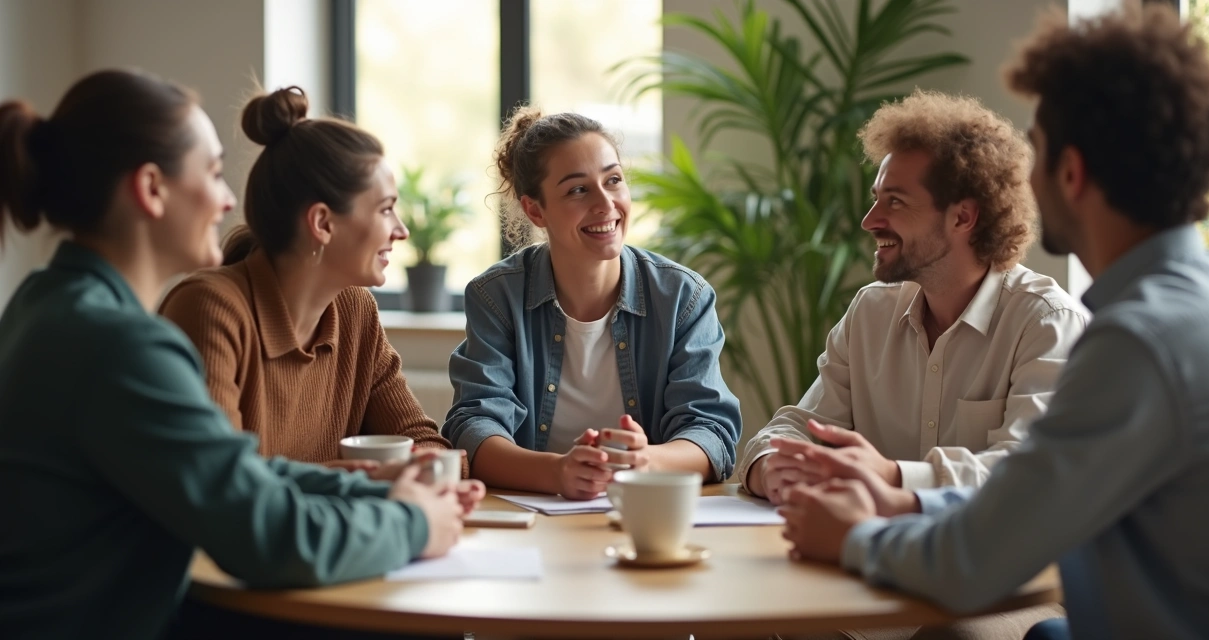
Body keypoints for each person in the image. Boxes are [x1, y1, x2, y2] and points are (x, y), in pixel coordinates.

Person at [778, 6, 1209, 639]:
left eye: (1036, 153)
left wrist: (856, 538)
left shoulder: (1137, 343)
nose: (1026, 179)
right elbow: (1033, 494)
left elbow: (975, 562)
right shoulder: (1186, 306)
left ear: (1072, 172)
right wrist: (907, 502)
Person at [0, 70, 478, 640]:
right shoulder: (120, 345)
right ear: (151, 189)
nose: (229, 199)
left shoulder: (47, 302)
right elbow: (264, 534)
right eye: (213, 172)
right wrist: (411, 522)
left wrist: (377, 487)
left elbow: (236, 474)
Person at [741, 90, 1087, 507]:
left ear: (962, 217)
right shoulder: (870, 313)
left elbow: (1028, 475)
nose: (870, 221)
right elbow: (796, 428)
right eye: (876, 199)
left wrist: (894, 476)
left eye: (896, 202)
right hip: (861, 556)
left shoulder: (1045, 323)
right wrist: (770, 466)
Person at [159, 86, 465, 477]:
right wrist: (366, 478)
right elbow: (224, 484)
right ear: (322, 223)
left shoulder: (355, 309)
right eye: (386, 210)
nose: (401, 231)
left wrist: (434, 468)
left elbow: (417, 436)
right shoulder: (210, 308)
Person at [444, 108, 742, 499]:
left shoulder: (683, 297)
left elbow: (711, 431)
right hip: (535, 519)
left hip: (645, 512)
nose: (606, 204)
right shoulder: (496, 297)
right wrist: (557, 473)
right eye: (578, 190)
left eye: (613, 180)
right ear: (535, 209)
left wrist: (645, 461)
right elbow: (474, 427)